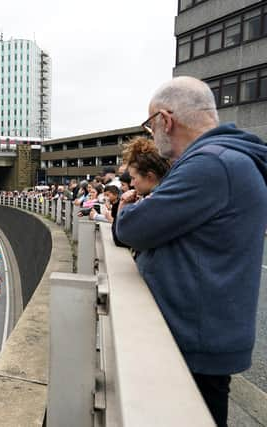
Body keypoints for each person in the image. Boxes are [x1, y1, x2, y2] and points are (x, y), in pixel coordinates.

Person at [116, 76, 267, 427]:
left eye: (150, 125)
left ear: (165, 121)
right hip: (205, 331)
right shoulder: (224, 158)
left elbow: (133, 228)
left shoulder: (211, 164)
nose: (152, 136)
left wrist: (126, 210)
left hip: (195, 339)